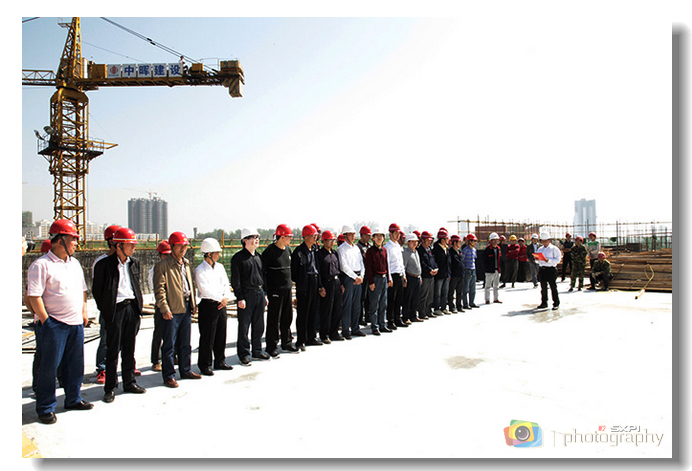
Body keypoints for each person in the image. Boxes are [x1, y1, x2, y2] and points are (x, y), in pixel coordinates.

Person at [26, 219, 93, 424]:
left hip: (75, 323)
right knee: (49, 368)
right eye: (73, 239)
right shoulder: (41, 265)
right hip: (54, 324)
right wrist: (46, 322)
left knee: (75, 365)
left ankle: (73, 398)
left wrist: (83, 311)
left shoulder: (74, 264)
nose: (76, 244)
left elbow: (82, 290)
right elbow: (34, 296)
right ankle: (46, 407)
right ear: (60, 240)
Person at [92, 227, 146, 403]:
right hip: (115, 310)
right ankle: (110, 387)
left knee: (129, 348)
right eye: (130, 245)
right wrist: (107, 310)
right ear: (119, 245)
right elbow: (97, 291)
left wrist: (138, 307)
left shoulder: (134, 263)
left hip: (131, 309)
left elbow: (136, 285)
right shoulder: (104, 265)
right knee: (112, 350)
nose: (133, 248)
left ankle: (129, 382)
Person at [153, 231, 202, 387]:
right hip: (172, 309)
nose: (183, 249)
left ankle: (185, 370)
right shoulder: (163, 266)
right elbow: (160, 290)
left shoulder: (186, 264)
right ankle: (169, 376)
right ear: (172, 246)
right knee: (169, 345)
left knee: (185, 343)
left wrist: (193, 304)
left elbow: (189, 285)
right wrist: (164, 308)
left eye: (185, 246)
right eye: (180, 246)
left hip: (186, 306)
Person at [194, 238, 233, 375]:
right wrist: (220, 298)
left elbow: (226, 284)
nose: (219, 255)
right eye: (217, 252)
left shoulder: (220, 267)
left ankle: (220, 361)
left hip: (221, 304)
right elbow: (205, 290)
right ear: (209, 254)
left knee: (221, 334)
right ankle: (205, 365)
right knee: (207, 336)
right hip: (208, 305)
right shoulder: (200, 270)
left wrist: (225, 298)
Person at [231, 228, 269, 365]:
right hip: (246, 295)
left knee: (259, 325)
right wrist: (240, 297)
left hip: (259, 293)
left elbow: (263, 276)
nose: (257, 240)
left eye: (258, 237)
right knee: (244, 326)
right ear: (245, 240)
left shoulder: (259, 257)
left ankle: (257, 351)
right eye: (254, 237)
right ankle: (244, 354)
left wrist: (265, 294)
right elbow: (236, 280)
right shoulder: (238, 258)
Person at [262, 224, 298, 356]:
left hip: (287, 289)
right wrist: (266, 291)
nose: (290, 239)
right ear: (281, 237)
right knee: (274, 319)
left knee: (287, 317)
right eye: (288, 237)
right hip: (275, 290)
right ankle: (271, 347)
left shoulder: (288, 250)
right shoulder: (269, 252)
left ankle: (286, 343)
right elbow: (263, 272)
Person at [92, 224, 120, 385]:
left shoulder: (126, 261)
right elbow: (97, 289)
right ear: (111, 241)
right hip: (109, 308)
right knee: (106, 339)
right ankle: (102, 368)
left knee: (125, 339)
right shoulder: (101, 262)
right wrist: (104, 307)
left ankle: (126, 365)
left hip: (124, 307)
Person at [291, 224, 324, 350]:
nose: (315, 238)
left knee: (313, 311)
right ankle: (301, 340)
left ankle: (311, 337)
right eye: (312, 235)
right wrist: (301, 282)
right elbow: (294, 272)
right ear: (305, 237)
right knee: (303, 313)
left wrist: (320, 285)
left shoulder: (314, 250)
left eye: (315, 235)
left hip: (314, 281)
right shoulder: (299, 252)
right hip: (304, 284)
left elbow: (317, 268)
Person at [337, 225, 366, 339]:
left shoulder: (356, 248)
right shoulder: (341, 249)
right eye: (350, 234)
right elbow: (344, 266)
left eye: (354, 234)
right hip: (349, 278)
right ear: (345, 236)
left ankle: (355, 328)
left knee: (357, 305)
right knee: (347, 305)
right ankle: (345, 330)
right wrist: (355, 277)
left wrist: (361, 275)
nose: (353, 236)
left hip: (358, 277)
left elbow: (361, 263)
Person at [316, 230, 344, 342]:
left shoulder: (335, 253)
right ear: (324, 241)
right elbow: (318, 272)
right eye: (330, 240)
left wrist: (341, 284)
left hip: (336, 282)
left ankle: (334, 333)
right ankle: (324, 334)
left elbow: (339, 269)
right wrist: (320, 286)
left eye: (333, 240)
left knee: (337, 309)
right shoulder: (319, 254)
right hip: (326, 283)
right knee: (326, 309)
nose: (332, 242)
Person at [365, 228, 392, 335]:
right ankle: (375, 326)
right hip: (375, 279)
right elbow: (368, 268)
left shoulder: (384, 250)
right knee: (374, 304)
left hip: (384, 278)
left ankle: (382, 324)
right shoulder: (370, 251)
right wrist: (371, 282)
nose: (379, 238)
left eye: (381, 236)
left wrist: (388, 279)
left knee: (383, 304)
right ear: (373, 238)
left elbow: (386, 265)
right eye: (377, 236)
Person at [149, 240, 170, 371]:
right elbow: (156, 289)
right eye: (164, 255)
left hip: (173, 304)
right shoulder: (155, 270)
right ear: (159, 255)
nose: (167, 257)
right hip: (161, 305)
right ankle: (156, 360)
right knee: (159, 333)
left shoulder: (172, 268)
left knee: (172, 333)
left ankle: (171, 356)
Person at [385, 223, 408, 329]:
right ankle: (390, 320)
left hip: (399, 275)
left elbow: (401, 262)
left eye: (399, 233)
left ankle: (397, 319)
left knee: (399, 299)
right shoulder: (387, 247)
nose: (398, 235)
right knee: (391, 300)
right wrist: (389, 278)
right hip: (392, 276)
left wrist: (404, 275)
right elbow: (387, 264)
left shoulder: (398, 246)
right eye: (396, 233)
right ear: (390, 233)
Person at [535, 232, 562, 310]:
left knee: (553, 287)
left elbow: (558, 259)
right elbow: (537, 260)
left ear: (549, 240)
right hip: (542, 269)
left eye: (545, 241)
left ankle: (556, 303)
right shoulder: (540, 249)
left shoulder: (554, 249)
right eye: (542, 241)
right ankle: (544, 302)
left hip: (551, 269)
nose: (544, 243)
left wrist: (549, 261)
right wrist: (536, 259)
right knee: (543, 287)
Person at [417, 231, 439, 319]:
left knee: (430, 295)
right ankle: (422, 313)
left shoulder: (430, 250)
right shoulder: (420, 250)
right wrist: (429, 270)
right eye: (427, 240)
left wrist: (435, 268)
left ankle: (429, 311)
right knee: (424, 295)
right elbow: (422, 263)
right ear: (422, 240)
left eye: (430, 240)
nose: (429, 242)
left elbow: (433, 261)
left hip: (431, 275)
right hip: (425, 275)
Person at [402, 233, 423, 323]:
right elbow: (404, 266)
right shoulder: (406, 253)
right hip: (410, 277)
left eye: (416, 242)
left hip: (417, 277)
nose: (415, 243)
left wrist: (420, 277)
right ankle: (406, 317)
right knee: (408, 298)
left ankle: (413, 316)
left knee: (415, 298)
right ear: (408, 242)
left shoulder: (416, 252)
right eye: (413, 242)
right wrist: (404, 278)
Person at [432, 228, 451, 315]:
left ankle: (443, 307)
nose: (448, 240)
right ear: (442, 239)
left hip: (446, 274)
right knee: (438, 293)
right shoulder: (436, 249)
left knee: (445, 292)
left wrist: (449, 274)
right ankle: (436, 308)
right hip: (439, 275)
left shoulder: (447, 249)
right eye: (446, 238)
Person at [356, 226, 372, 327]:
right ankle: (360, 317)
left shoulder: (370, 246)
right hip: (363, 274)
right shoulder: (358, 247)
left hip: (370, 274)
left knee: (369, 296)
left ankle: (368, 316)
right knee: (362, 297)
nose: (369, 237)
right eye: (367, 235)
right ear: (362, 235)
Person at [481, 232, 502, 304]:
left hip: (497, 270)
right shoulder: (487, 249)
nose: (496, 241)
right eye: (494, 240)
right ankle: (487, 299)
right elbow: (483, 260)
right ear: (491, 240)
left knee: (496, 286)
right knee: (488, 286)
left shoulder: (498, 249)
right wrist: (486, 268)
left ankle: (496, 298)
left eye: (497, 240)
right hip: (489, 271)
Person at [447, 234, 465, 313]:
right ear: (454, 242)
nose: (460, 244)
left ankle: (459, 306)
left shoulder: (459, 252)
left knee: (459, 292)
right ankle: (451, 307)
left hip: (460, 274)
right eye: (459, 242)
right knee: (451, 292)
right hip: (454, 275)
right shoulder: (450, 252)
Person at [461, 233, 479, 309]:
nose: (475, 242)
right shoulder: (465, 250)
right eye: (474, 241)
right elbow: (462, 260)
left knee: (473, 288)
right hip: (467, 270)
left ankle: (471, 302)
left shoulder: (474, 250)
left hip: (473, 270)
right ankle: (465, 304)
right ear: (469, 241)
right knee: (465, 288)